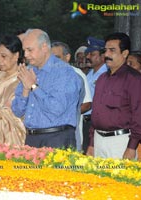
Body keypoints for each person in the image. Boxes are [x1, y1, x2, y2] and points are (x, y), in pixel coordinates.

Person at [11, 29, 82, 149]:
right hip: (31, 138)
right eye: (24, 51)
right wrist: (26, 90)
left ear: (44, 47)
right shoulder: (29, 71)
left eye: (30, 50)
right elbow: (17, 111)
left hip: (57, 138)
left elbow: (56, 108)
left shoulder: (64, 72)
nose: (26, 55)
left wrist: (34, 86)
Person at [86, 32, 141, 160]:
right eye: (105, 50)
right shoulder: (101, 79)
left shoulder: (134, 80)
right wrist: (92, 144)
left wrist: (131, 147)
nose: (106, 55)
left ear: (125, 53)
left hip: (120, 142)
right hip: (98, 141)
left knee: (119, 179)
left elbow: (138, 116)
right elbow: (96, 113)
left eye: (112, 50)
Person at [51, 41, 91, 151]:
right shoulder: (46, 75)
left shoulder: (77, 75)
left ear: (67, 57)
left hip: (70, 133)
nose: (52, 61)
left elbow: (87, 104)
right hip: (48, 135)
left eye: (57, 57)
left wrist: (65, 112)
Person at [82, 37, 108, 154]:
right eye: (88, 54)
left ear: (103, 56)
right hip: (86, 121)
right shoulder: (90, 73)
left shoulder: (106, 74)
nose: (88, 57)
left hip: (95, 121)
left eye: (92, 54)